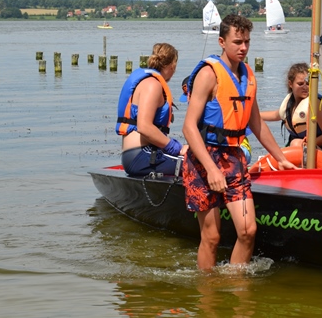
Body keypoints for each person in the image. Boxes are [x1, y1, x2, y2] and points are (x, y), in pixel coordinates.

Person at [182, 14, 297, 270]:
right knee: (212, 237)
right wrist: (211, 170)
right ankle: (208, 290)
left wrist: (281, 159)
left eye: (247, 41)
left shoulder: (248, 75)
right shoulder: (208, 74)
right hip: (203, 160)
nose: (243, 47)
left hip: (234, 158)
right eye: (237, 42)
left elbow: (256, 123)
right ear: (222, 42)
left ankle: (236, 287)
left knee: (247, 231)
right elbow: (188, 127)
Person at [116, 43, 188, 177]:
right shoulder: (152, 85)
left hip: (141, 154)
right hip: (141, 156)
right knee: (200, 167)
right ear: (173, 65)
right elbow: (144, 127)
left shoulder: (148, 81)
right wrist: (176, 148)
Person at [260, 62, 322, 156]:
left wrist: (308, 142)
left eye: (308, 83)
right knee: (289, 146)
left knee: (296, 143)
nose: (305, 87)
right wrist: (251, 114)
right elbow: (275, 115)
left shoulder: (315, 104)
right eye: (300, 84)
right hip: (298, 147)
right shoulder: (289, 103)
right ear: (290, 84)